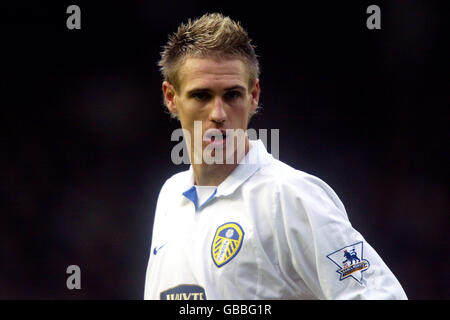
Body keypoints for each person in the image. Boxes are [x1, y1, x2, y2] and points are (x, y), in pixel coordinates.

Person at [144, 13, 407, 300]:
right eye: (201, 96)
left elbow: (381, 294)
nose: (218, 114)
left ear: (253, 95)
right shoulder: (171, 197)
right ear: (171, 97)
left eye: (232, 95)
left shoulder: (290, 196)